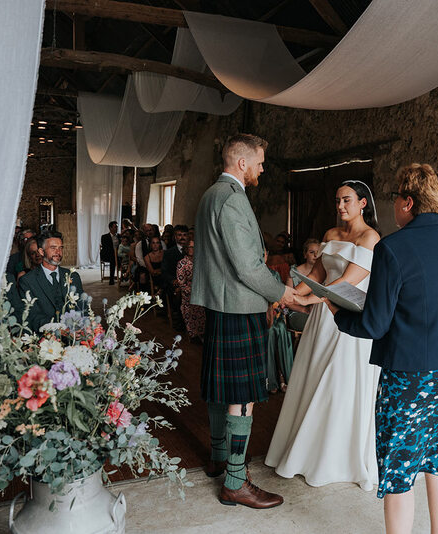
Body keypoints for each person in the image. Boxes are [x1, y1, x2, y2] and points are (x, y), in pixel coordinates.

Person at [328, 164, 438, 534]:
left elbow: (373, 324)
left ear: (409, 202)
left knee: (401, 470)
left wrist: (335, 307)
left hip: (409, 376)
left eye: (397, 198)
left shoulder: (393, 248)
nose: (395, 205)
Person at [191, 133, 296, 509]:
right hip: (240, 307)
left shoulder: (209, 196)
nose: (262, 169)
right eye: (260, 163)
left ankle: (219, 457)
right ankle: (235, 481)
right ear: (242, 163)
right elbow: (247, 266)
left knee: (223, 389)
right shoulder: (232, 200)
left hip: (221, 306)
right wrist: (281, 291)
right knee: (244, 396)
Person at [265, 179, 381, 491]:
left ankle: (335, 457)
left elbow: (347, 281)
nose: (340, 206)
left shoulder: (371, 237)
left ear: (362, 204)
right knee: (313, 378)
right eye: (337, 201)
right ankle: (303, 450)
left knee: (338, 383)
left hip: (349, 319)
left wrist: (307, 299)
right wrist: (290, 294)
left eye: (346, 200)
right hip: (322, 319)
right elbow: (318, 274)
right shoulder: (331, 234)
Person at [18, 230, 85, 333]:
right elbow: (33, 316)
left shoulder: (73, 276)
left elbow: (82, 308)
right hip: (45, 340)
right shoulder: (27, 281)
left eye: (60, 248)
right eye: (53, 248)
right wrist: (61, 330)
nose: (58, 252)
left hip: (76, 337)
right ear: (41, 251)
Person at [283, 238, 320, 332]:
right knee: (315, 326)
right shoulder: (294, 272)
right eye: (312, 252)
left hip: (318, 311)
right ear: (305, 254)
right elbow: (287, 300)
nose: (316, 255)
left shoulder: (325, 272)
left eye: (318, 252)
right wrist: (305, 310)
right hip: (297, 312)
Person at [162, 224, 190, 331]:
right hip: (175, 283)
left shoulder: (193, 251)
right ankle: (180, 318)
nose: (182, 237)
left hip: (190, 282)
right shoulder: (169, 253)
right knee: (178, 292)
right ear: (175, 237)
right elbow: (164, 272)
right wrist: (173, 280)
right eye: (179, 235)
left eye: (184, 235)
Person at [176, 240, 205, 341]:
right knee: (191, 307)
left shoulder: (201, 261)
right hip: (189, 292)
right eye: (189, 247)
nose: (191, 249)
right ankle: (193, 334)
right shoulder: (182, 263)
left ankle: (203, 333)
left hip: (202, 290)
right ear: (186, 249)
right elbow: (181, 283)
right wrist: (192, 291)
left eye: (193, 247)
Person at [100, 221, 119, 285]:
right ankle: (111, 279)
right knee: (113, 258)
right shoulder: (104, 237)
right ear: (110, 228)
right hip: (108, 254)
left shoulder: (119, 236)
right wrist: (114, 251)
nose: (117, 228)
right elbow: (106, 248)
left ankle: (124, 276)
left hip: (118, 254)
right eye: (115, 227)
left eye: (117, 227)